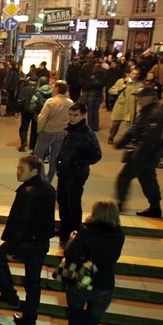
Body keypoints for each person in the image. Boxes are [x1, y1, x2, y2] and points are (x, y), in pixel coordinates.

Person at [0, 155, 56, 325]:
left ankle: (10, 295)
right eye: (18, 168)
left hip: (26, 242)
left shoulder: (27, 192)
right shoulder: (49, 188)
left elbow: (21, 222)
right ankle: (29, 320)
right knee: (33, 282)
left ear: (34, 171)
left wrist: (13, 247)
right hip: (41, 243)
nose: (17, 172)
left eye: (21, 169)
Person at [63, 199, 126, 325]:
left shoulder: (86, 232)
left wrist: (72, 240)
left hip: (82, 281)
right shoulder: (119, 234)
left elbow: (71, 255)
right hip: (105, 284)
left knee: (75, 318)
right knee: (92, 324)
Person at [115, 86, 163, 217]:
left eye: (141, 96)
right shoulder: (146, 111)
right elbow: (135, 129)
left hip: (145, 155)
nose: (138, 99)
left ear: (150, 97)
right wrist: (123, 141)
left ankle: (120, 204)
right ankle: (155, 208)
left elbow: (149, 139)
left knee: (125, 177)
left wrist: (137, 155)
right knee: (148, 181)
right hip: (145, 155)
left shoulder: (155, 113)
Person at [55, 103, 102, 244]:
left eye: (75, 115)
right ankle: (65, 227)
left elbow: (96, 155)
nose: (72, 118)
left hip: (76, 174)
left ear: (83, 115)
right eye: (70, 114)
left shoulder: (86, 133)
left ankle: (73, 230)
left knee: (73, 203)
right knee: (62, 200)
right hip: (65, 171)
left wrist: (77, 162)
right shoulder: (71, 130)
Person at [33, 80, 72, 182]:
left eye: (54, 87)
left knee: (38, 155)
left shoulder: (50, 102)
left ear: (57, 89)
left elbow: (42, 118)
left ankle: (42, 177)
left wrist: (39, 129)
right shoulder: (70, 103)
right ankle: (49, 178)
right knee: (55, 157)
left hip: (48, 131)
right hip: (62, 132)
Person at [107, 66, 141, 145]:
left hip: (131, 108)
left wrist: (139, 110)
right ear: (129, 74)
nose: (135, 75)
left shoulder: (139, 85)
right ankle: (111, 136)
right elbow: (111, 91)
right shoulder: (121, 81)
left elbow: (140, 99)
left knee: (129, 126)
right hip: (121, 106)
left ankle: (126, 141)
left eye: (137, 74)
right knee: (115, 124)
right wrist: (120, 89)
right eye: (133, 73)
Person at [82, 61, 107, 131]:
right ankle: (96, 126)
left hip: (91, 95)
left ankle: (90, 127)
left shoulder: (92, 78)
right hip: (99, 95)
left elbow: (87, 86)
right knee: (96, 111)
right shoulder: (103, 78)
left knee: (90, 111)